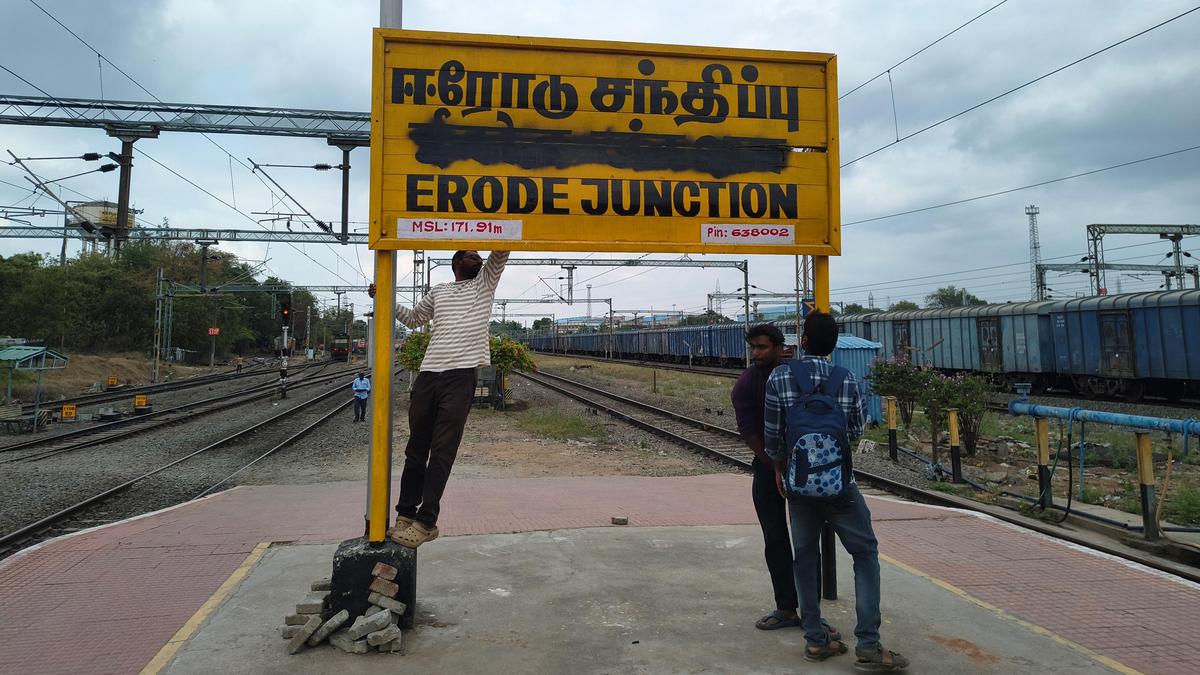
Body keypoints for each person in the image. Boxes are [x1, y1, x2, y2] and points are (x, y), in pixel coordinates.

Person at [765, 312, 908, 671]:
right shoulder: (847, 379)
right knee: (865, 554)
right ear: (833, 345)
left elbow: (772, 436)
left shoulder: (780, 377)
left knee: (804, 557)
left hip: (798, 486)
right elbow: (855, 432)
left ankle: (815, 640)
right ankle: (869, 645)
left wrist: (782, 468)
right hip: (841, 486)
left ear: (804, 342)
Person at [388, 249, 509, 548]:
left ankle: (426, 521)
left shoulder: (484, 284)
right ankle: (405, 513)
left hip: (460, 378)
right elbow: (414, 319)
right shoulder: (439, 291)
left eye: (480, 256)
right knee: (416, 448)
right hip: (428, 374)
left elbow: (500, 252)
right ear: (456, 263)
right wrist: (385, 299)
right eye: (472, 256)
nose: (479, 259)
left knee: (442, 451)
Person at [732, 324, 841, 641]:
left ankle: (812, 613)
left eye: (762, 347)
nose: (756, 354)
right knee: (775, 538)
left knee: (807, 542)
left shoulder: (794, 376)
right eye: (753, 347)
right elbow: (749, 432)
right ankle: (785, 608)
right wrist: (775, 464)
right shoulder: (745, 384)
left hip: (807, 469)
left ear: (781, 348)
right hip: (769, 469)